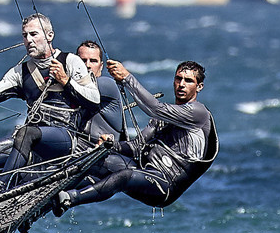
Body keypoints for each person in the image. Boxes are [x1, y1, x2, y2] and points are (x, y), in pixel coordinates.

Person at [0, 14, 101, 189]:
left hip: (63, 139)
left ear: (49, 36)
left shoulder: (70, 61)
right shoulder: (20, 72)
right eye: (25, 35)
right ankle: (8, 194)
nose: (29, 40)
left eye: (34, 34)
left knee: (27, 132)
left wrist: (65, 81)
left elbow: (94, 100)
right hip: (29, 140)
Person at [56, 58, 214, 211]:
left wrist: (127, 78)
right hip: (143, 172)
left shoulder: (198, 113)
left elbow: (154, 108)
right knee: (97, 161)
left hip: (165, 185)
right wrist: (111, 145)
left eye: (188, 81)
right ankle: (53, 193)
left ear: (199, 87)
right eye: (178, 78)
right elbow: (136, 147)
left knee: (124, 176)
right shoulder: (163, 118)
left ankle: (71, 199)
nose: (181, 85)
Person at [73, 39, 123, 144]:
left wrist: (62, 78)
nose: (87, 65)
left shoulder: (106, 85)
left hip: (105, 154)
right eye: (83, 60)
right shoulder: (72, 88)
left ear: (101, 66)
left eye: (93, 61)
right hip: (77, 150)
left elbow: (81, 92)